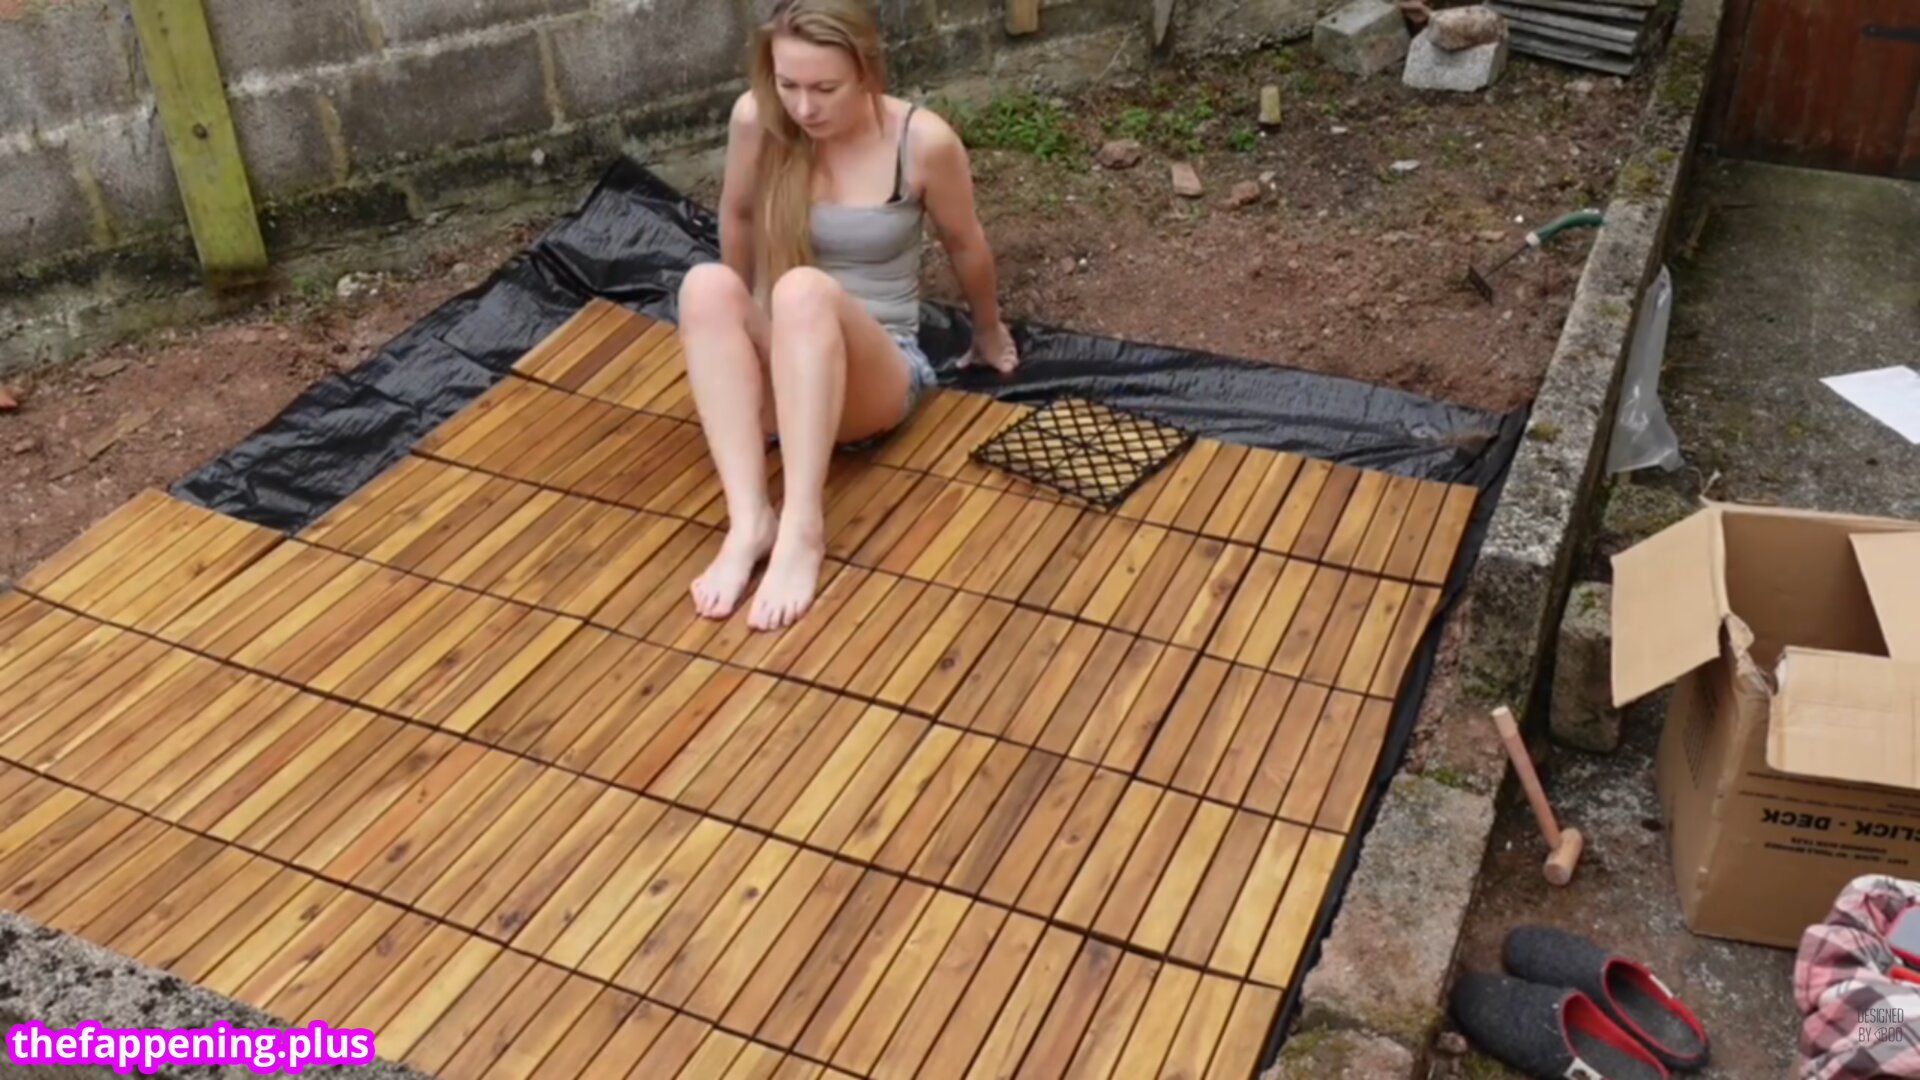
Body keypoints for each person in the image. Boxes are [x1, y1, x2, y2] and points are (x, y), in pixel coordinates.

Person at [676, 0, 1019, 632]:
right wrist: (741, 329)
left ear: (866, 70)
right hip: (785, 371)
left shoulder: (921, 141)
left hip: (873, 374)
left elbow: (965, 242)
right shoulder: (758, 119)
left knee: (803, 290)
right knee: (704, 286)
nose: (804, 108)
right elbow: (739, 216)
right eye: (788, 85)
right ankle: (750, 522)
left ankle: (802, 528)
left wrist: (988, 331)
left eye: (825, 88)